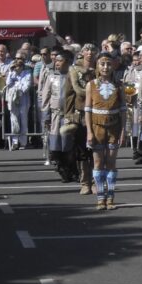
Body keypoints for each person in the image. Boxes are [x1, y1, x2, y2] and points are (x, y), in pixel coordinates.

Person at [84, 53, 126, 210]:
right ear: (97, 66)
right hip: (96, 128)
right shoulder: (91, 85)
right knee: (98, 162)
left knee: (111, 162)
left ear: (113, 65)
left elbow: (123, 110)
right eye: (102, 64)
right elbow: (87, 110)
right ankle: (100, 197)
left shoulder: (119, 85)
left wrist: (123, 131)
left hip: (114, 129)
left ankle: (111, 198)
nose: (105, 67)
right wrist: (89, 131)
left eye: (108, 64)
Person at [40, 47, 79, 183]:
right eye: (55, 61)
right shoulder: (51, 77)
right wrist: (46, 116)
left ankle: (73, 170)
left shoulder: (74, 76)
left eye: (60, 60)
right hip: (56, 115)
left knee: (69, 145)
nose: (56, 63)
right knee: (56, 146)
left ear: (67, 62)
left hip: (70, 115)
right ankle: (62, 170)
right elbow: (45, 98)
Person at [69, 44, 98, 195]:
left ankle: (95, 181)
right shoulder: (74, 70)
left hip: (98, 113)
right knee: (81, 149)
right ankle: (84, 182)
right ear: (82, 52)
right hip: (80, 113)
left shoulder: (101, 68)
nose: (90, 53)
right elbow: (74, 91)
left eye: (93, 50)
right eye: (87, 50)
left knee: (96, 149)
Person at [3, 54, 33, 150]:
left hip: (23, 98)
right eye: (16, 58)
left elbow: (26, 86)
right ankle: (15, 142)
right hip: (12, 99)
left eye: (20, 58)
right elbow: (8, 83)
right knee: (14, 120)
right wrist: (11, 72)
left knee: (23, 120)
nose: (16, 68)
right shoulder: (12, 72)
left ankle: (23, 142)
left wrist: (16, 87)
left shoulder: (27, 72)